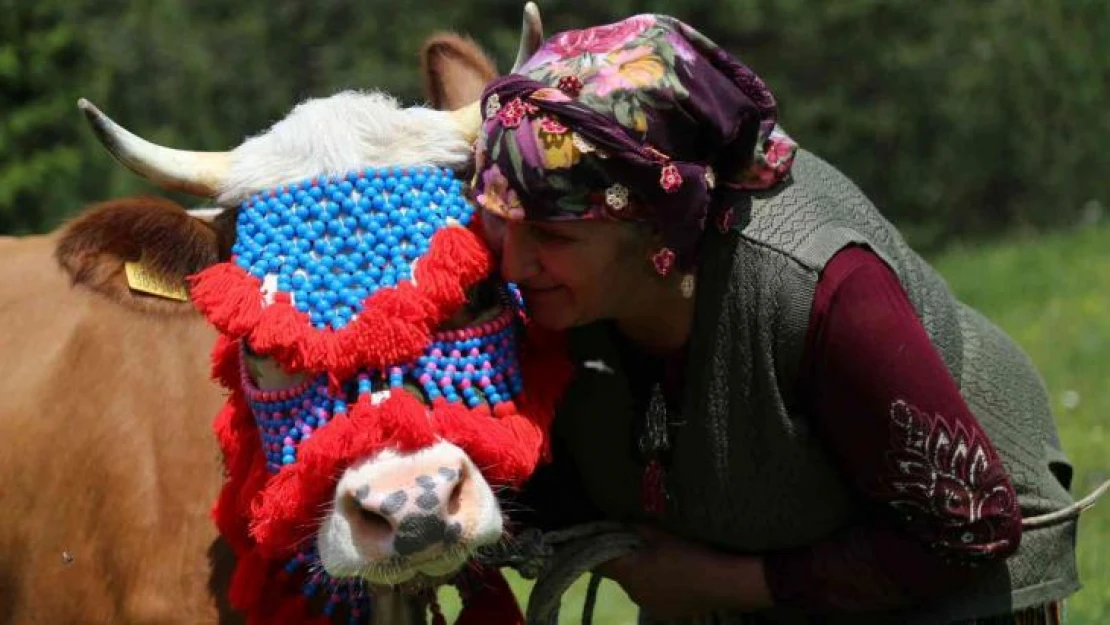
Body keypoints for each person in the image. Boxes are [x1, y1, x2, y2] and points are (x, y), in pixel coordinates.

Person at [467, 13, 1081, 625]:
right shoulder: (553, 303)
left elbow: (968, 525)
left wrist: (716, 583)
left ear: (658, 227)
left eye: (552, 234)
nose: (514, 263)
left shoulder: (818, 288)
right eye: (500, 220)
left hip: (947, 589)